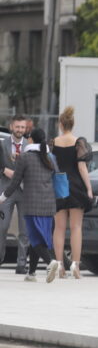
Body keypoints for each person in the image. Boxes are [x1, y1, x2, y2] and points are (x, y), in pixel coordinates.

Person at [0, 128, 59, 282]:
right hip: (49, 206)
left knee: (34, 239)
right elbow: (56, 178)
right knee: (39, 238)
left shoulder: (25, 157)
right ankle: (31, 273)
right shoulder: (50, 157)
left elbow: (15, 182)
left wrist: (3, 197)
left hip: (32, 205)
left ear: (31, 140)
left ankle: (51, 262)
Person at [51, 106, 93, 280]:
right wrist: (89, 188)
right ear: (72, 124)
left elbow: (49, 165)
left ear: (61, 124)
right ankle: (75, 266)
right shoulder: (79, 142)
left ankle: (59, 265)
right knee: (76, 228)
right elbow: (82, 167)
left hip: (59, 185)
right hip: (75, 186)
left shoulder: (52, 142)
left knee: (59, 228)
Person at [0, 115, 30, 273]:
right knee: (2, 226)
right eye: (17, 127)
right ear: (12, 126)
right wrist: (4, 170)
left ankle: (21, 264)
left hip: (25, 191)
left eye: (22, 127)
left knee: (24, 230)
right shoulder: (2, 144)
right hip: (6, 190)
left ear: (25, 129)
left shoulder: (29, 146)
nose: (19, 130)